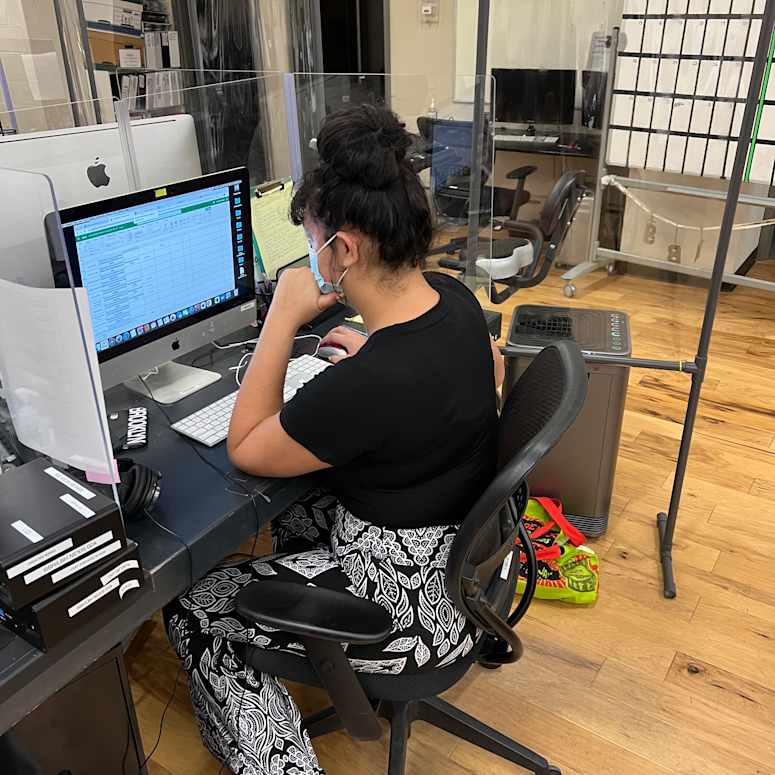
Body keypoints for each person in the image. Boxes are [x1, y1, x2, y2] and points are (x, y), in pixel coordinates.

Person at [164, 103, 504, 775]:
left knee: (193, 608)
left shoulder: (369, 384)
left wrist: (283, 317)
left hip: (407, 608)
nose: (310, 261)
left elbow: (248, 446)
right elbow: (485, 372)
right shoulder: (454, 301)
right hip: (457, 563)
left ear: (343, 249)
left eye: (312, 243)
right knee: (295, 505)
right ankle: (313, 656)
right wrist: (371, 346)